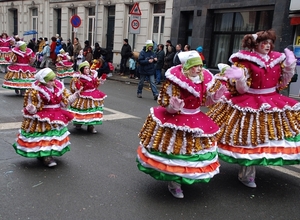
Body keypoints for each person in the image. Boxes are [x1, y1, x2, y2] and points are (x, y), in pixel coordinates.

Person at [207, 30, 299, 188]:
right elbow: (241, 90)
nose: (267, 45)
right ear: (254, 44)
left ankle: (254, 167)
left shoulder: (277, 59)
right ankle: (247, 174)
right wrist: (240, 78)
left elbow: (281, 85)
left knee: (274, 135)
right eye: (264, 42)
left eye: (269, 42)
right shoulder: (245, 61)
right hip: (249, 101)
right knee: (248, 137)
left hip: (272, 100)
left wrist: (290, 67)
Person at [136, 50, 227, 198]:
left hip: (196, 117)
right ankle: (175, 184)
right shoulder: (174, 82)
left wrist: (215, 97)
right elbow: (166, 104)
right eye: (195, 66)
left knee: (192, 151)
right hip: (178, 119)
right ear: (187, 67)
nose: (199, 69)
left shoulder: (203, 80)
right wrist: (173, 107)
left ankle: (187, 176)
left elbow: (205, 102)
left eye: (200, 66)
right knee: (176, 151)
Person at [12, 67, 79, 167]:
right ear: (44, 81)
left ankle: (48, 155)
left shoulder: (58, 87)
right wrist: (31, 108)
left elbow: (64, 103)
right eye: (50, 80)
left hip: (57, 114)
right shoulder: (36, 91)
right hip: (43, 116)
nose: (53, 82)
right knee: (44, 136)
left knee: (53, 136)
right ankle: (47, 157)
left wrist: (74, 96)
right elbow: (34, 107)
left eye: (54, 79)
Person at [69, 61, 107, 134]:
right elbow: (76, 88)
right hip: (84, 96)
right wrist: (78, 87)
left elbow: (96, 84)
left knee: (92, 110)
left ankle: (91, 126)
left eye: (88, 68)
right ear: (82, 69)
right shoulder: (79, 78)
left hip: (93, 95)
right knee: (82, 110)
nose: (87, 70)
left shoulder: (91, 77)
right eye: (85, 68)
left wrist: (101, 79)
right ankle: (78, 123)